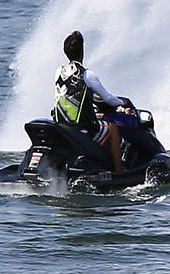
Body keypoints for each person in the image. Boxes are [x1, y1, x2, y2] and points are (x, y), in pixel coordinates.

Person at [52, 31, 127, 172]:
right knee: (113, 128)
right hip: (81, 128)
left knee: (98, 118)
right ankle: (118, 170)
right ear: (82, 51)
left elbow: (72, 93)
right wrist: (123, 103)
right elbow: (108, 99)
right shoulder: (87, 75)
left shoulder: (59, 71)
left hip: (62, 126)